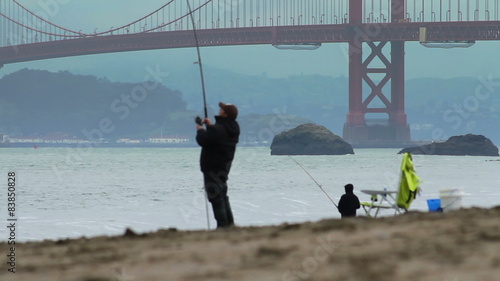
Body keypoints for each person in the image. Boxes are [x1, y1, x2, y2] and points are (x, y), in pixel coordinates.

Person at [196, 102, 240, 228]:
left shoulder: (219, 129)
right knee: (222, 195)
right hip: (223, 167)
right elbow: (219, 136)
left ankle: (222, 226)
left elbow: (204, 140)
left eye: (222, 109)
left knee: (215, 196)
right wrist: (210, 126)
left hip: (212, 167)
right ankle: (230, 224)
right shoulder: (233, 128)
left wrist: (200, 130)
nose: (220, 110)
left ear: (225, 114)